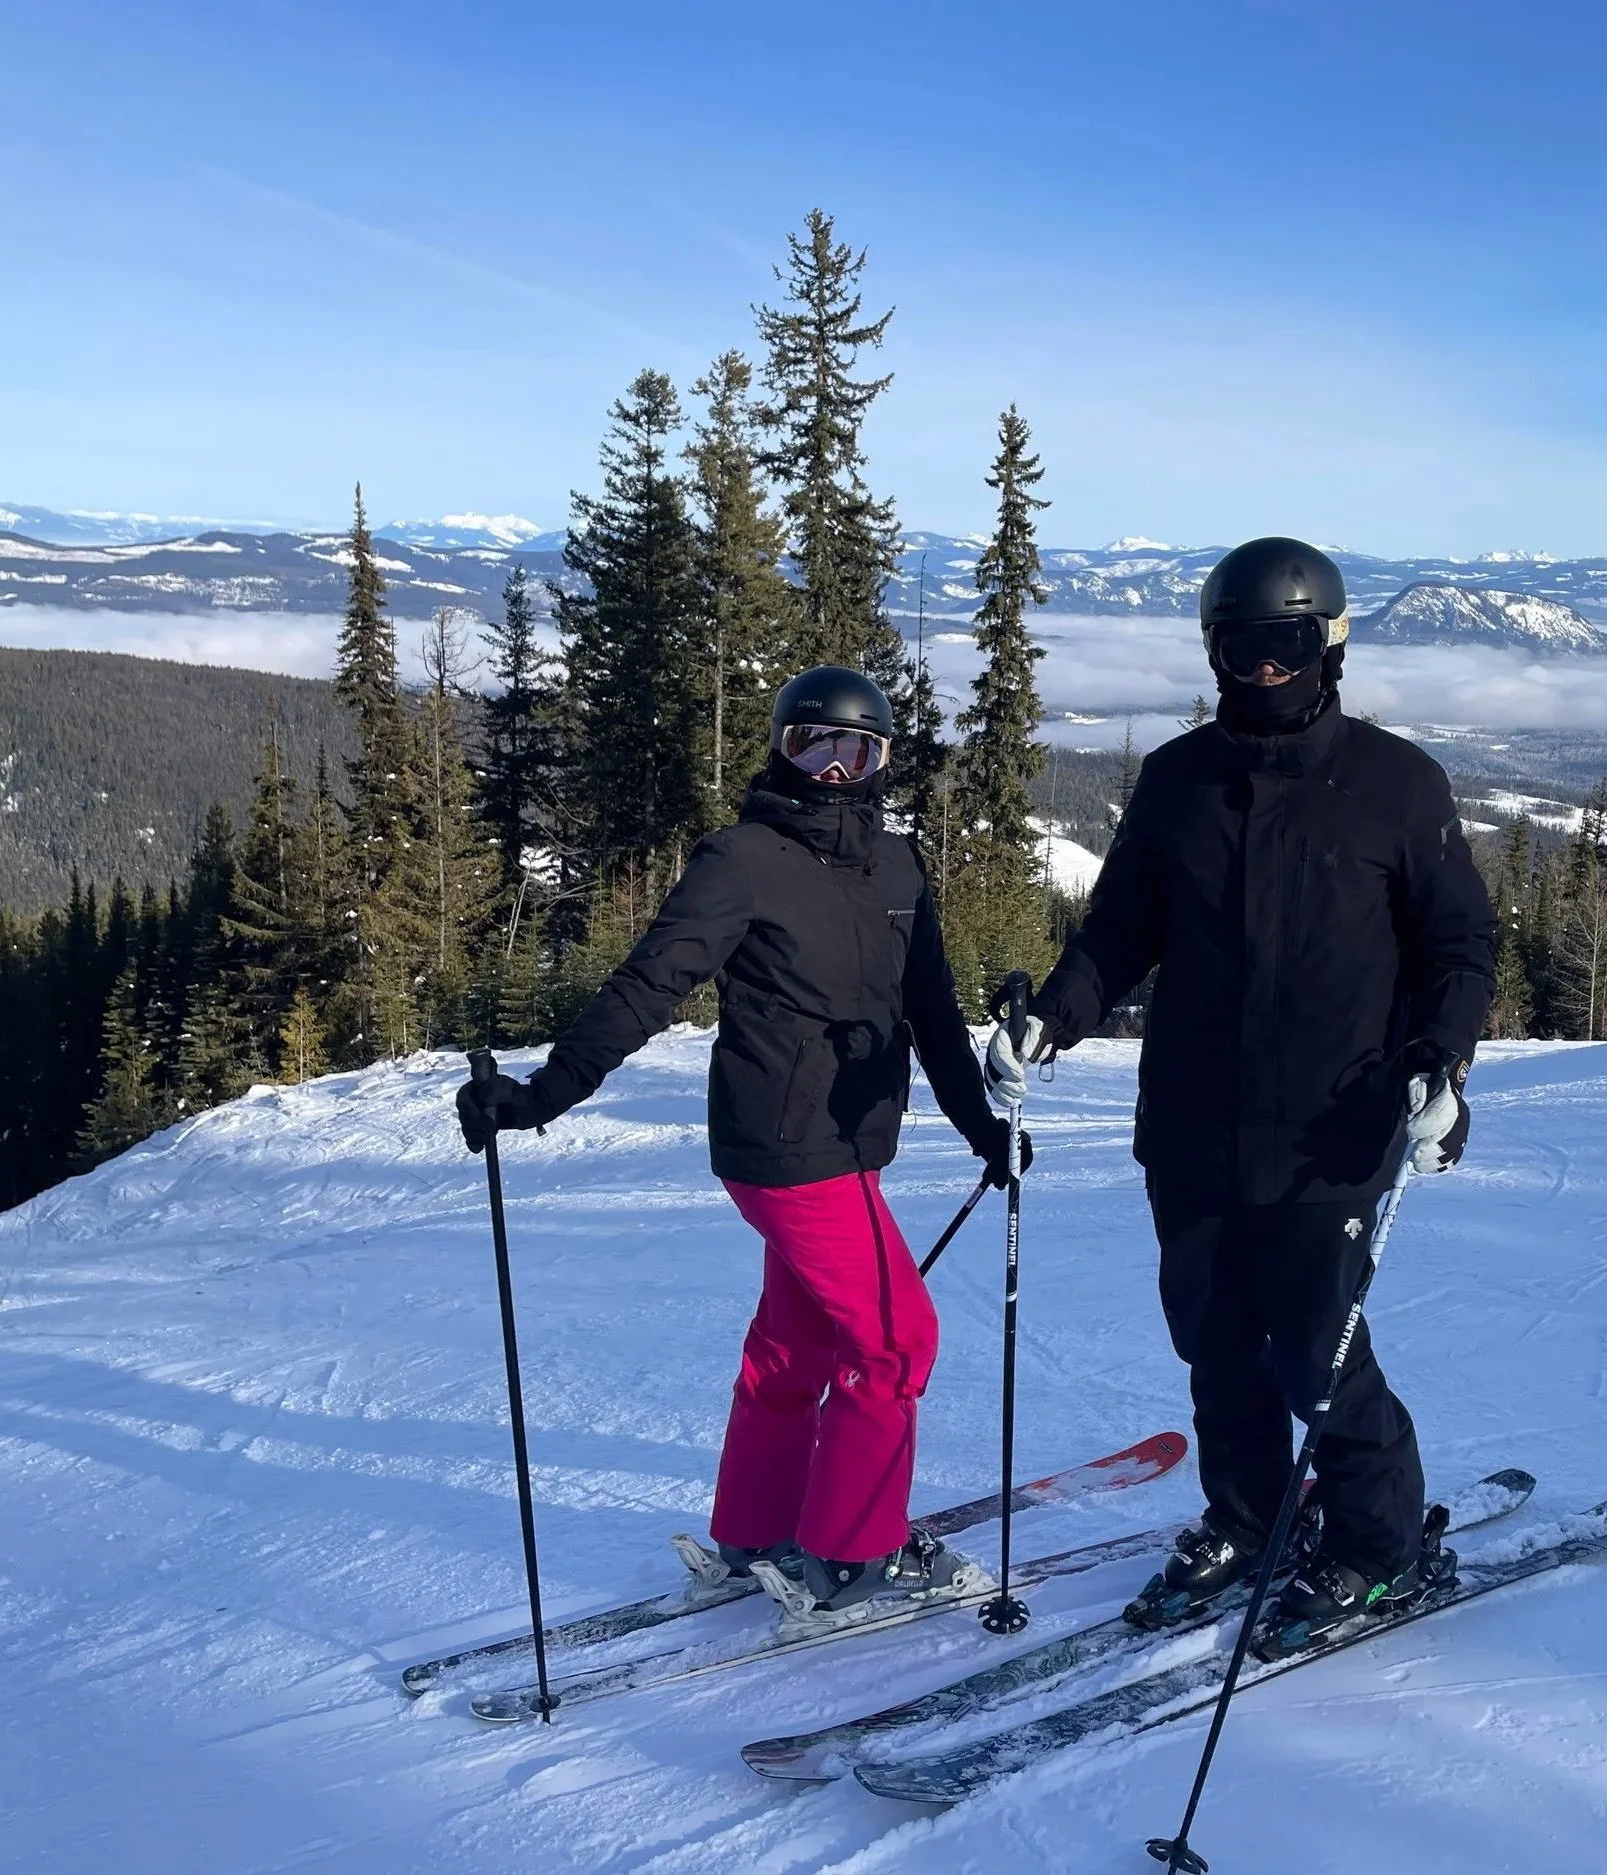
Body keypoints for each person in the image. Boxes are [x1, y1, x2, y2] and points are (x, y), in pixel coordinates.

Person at [984, 537, 1494, 1643]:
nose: (1264, 672)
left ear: (1330, 647)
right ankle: (1256, 1515)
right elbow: (1121, 930)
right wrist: (1051, 1019)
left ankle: (1375, 1545)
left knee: (1320, 1354)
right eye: (1241, 647)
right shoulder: (1179, 781)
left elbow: (1461, 945)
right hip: (1195, 1125)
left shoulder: (1397, 785)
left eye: (1287, 646)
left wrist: (1442, 1067)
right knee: (1215, 1343)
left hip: (1335, 1127)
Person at [458, 666, 1023, 1616]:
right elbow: (647, 985)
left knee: (795, 1348)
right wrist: (544, 1095)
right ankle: (851, 1554)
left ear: (882, 761)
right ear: (780, 748)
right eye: (816, 745)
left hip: (848, 1146)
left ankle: (756, 1528)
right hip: (783, 1145)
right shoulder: (744, 858)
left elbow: (930, 1011)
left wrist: (983, 1130)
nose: (837, 770)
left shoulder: (898, 867)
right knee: (893, 1342)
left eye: (860, 750)